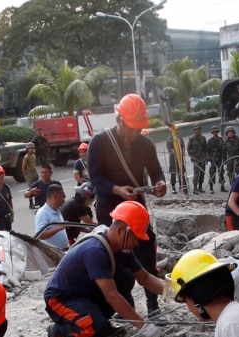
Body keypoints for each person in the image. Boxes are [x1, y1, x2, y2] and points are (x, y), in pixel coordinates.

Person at [44, 201, 167, 337]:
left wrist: (178, 293)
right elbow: (112, 295)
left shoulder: (122, 248)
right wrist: (144, 327)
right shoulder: (95, 250)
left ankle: (98, 320)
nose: (137, 243)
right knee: (95, 330)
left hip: (85, 292)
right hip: (61, 298)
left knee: (126, 278)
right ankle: (59, 333)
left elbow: (145, 278)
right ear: (121, 230)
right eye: (135, 237)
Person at [87, 94, 168, 318]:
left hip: (136, 209)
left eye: (138, 128)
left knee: (146, 253)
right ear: (120, 120)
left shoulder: (145, 144)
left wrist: (159, 183)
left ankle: (153, 305)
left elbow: (155, 170)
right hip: (110, 210)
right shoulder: (100, 143)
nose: (135, 133)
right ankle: (124, 307)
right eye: (131, 128)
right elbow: (95, 178)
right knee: (113, 259)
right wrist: (117, 190)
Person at [60, 182, 97, 247]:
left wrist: (90, 232)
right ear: (84, 197)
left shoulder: (73, 201)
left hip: (66, 234)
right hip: (68, 238)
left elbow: (76, 226)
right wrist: (103, 226)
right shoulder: (77, 206)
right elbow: (90, 224)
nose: (89, 203)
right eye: (90, 200)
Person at [33, 184, 69, 249]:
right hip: (52, 254)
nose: (64, 200)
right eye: (62, 197)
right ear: (55, 197)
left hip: (62, 251)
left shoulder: (57, 210)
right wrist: (58, 228)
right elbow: (40, 235)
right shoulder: (43, 213)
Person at [186, 126, 208, 194]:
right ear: (194, 131)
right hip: (196, 159)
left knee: (202, 173)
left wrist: (206, 158)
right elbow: (188, 148)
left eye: (199, 130)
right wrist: (192, 156)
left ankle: (200, 187)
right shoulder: (191, 138)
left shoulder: (203, 138)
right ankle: (195, 188)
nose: (198, 131)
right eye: (196, 130)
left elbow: (206, 148)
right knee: (196, 174)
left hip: (203, 158)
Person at [207, 127, 226, 194]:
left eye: (216, 131)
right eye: (214, 132)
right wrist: (208, 160)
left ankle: (222, 186)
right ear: (212, 133)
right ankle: (211, 188)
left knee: (221, 173)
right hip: (212, 160)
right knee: (212, 173)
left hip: (220, 159)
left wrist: (224, 160)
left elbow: (224, 150)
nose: (215, 133)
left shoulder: (221, 140)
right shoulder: (210, 141)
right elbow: (208, 151)